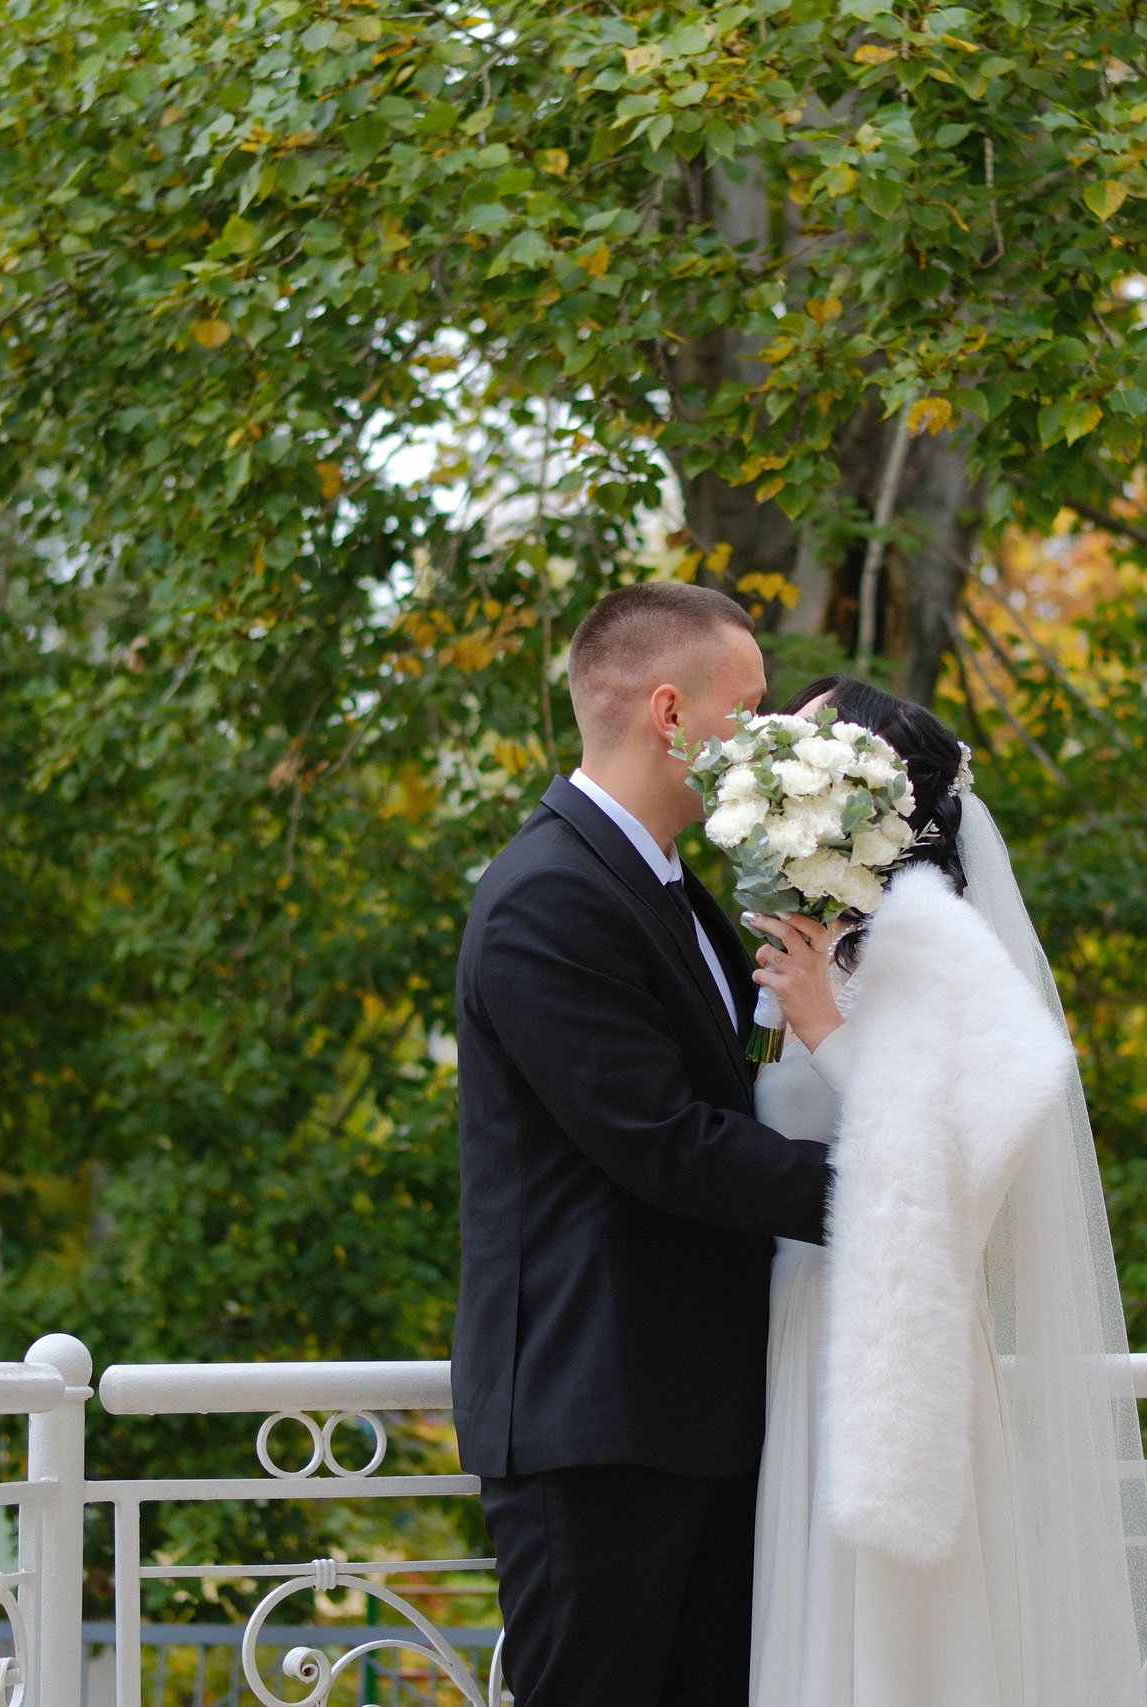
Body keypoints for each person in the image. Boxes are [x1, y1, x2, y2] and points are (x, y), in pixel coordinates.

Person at [741, 675, 1147, 1707]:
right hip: (792, 1322)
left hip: (898, 1340)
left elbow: (962, 1174)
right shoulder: (813, 939)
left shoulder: (942, 950)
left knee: (899, 1646)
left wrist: (828, 1035)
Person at [451, 583, 834, 1707]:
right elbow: (661, 1140)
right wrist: (883, 1193)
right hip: (599, 1421)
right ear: (672, 713)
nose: (767, 737)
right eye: (751, 707)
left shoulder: (675, 887)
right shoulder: (546, 898)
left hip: (696, 1409)